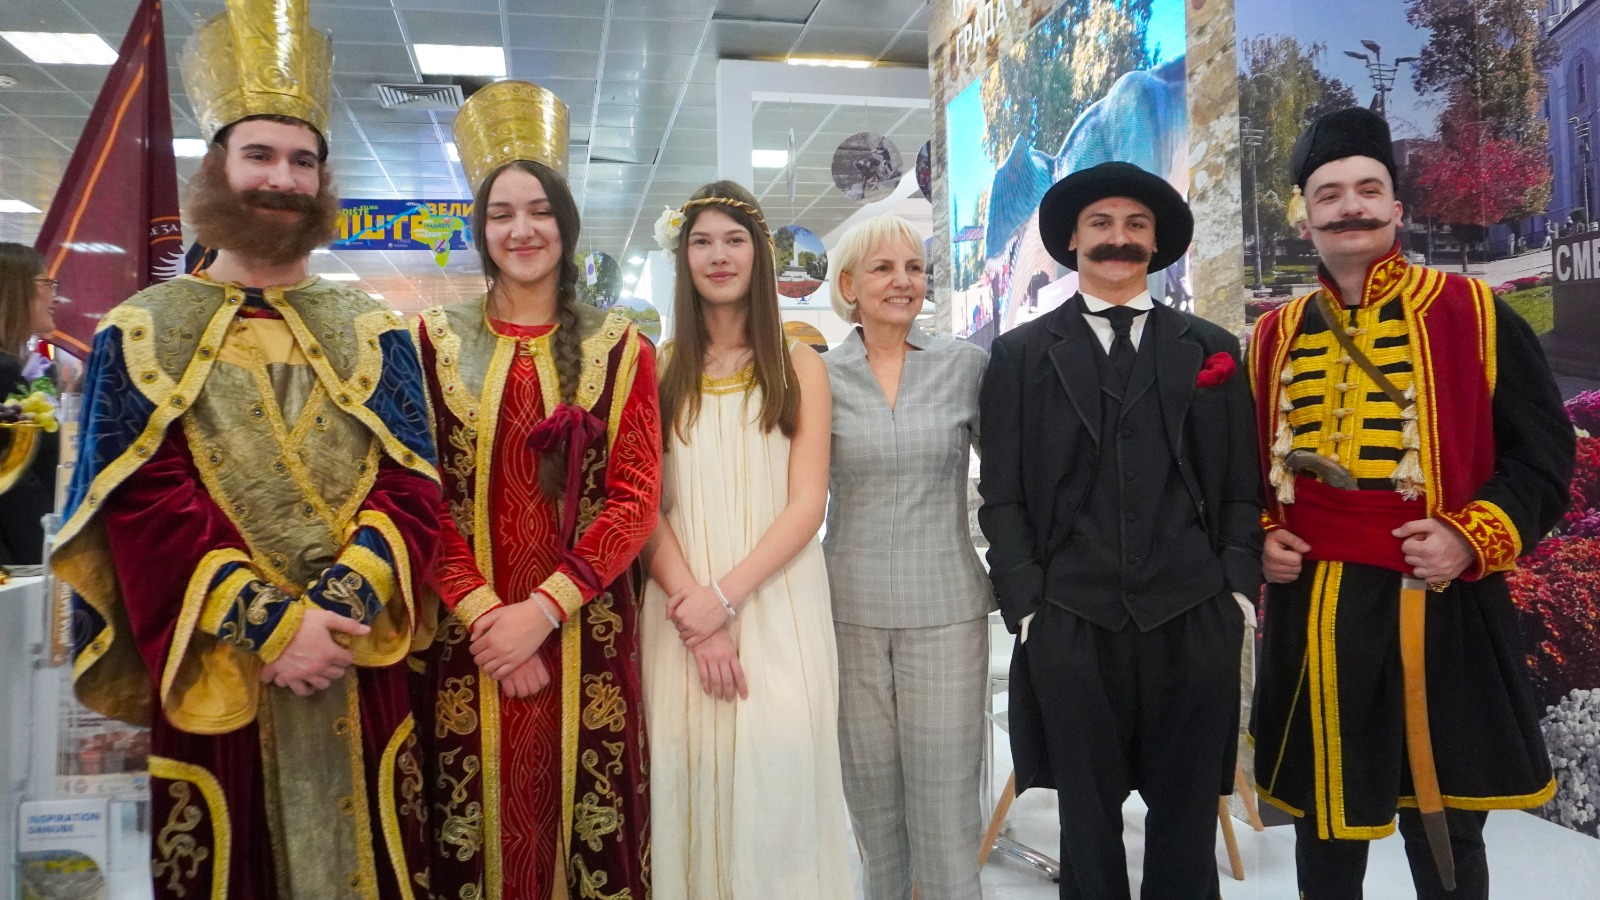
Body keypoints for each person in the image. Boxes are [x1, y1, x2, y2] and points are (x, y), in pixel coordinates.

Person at [49, 2, 442, 895]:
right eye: (260, 155)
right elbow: (143, 503)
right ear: (218, 167)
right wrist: (274, 627)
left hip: (354, 655)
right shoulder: (140, 331)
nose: (282, 178)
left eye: (303, 160)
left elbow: (414, 486)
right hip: (221, 661)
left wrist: (334, 613)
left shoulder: (375, 329)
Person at [1248, 106, 1576, 900]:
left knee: (1445, 825)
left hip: (1437, 599)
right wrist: (1260, 532)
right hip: (1315, 608)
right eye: (1329, 195)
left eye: (1367, 190)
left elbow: (1542, 459)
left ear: (1396, 207)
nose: (1350, 207)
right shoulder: (1272, 336)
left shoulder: (1473, 312)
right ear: (1305, 217)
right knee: (1324, 824)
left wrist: (1469, 538)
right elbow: (1241, 471)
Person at [978, 161, 1262, 899]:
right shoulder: (1019, 356)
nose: (1119, 238)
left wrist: (1236, 590)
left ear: (1156, 242)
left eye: (1136, 225)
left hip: (1193, 613)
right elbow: (1001, 495)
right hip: (1069, 617)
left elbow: (1242, 482)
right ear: (1072, 240)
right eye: (1100, 224)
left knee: (1187, 824)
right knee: (1087, 825)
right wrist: (1027, 604)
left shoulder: (1212, 349)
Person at [409, 79, 660, 900]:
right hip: (468, 646)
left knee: (588, 833)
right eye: (502, 214)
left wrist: (541, 613)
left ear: (567, 224)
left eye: (540, 211)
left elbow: (634, 498)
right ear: (481, 231)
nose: (522, 230)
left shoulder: (622, 347)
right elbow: (418, 495)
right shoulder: (430, 342)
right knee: (467, 833)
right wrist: (490, 617)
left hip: (583, 639)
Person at [641, 181, 853, 899]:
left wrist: (724, 601)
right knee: (686, 774)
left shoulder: (800, 364)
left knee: (781, 791)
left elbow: (807, 502)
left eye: (734, 240)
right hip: (679, 609)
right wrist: (699, 616)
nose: (718, 255)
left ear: (759, 255)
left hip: (777, 603)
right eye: (702, 241)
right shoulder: (657, 368)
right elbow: (642, 505)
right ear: (683, 257)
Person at [821, 214, 990, 900]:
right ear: (848, 286)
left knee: (947, 815)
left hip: (946, 608)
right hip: (846, 609)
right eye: (884, 268)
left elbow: (1012, 482)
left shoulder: (966, 366)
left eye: (915, 268)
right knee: (873, 811)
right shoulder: (817, 376)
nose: (904, 281)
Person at [0, 242, 59, 566]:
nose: (55, 295)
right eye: (46, 283)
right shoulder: (3, 372)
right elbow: (14, 484)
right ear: (15, 290)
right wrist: (46, 553)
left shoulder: (14, 368)